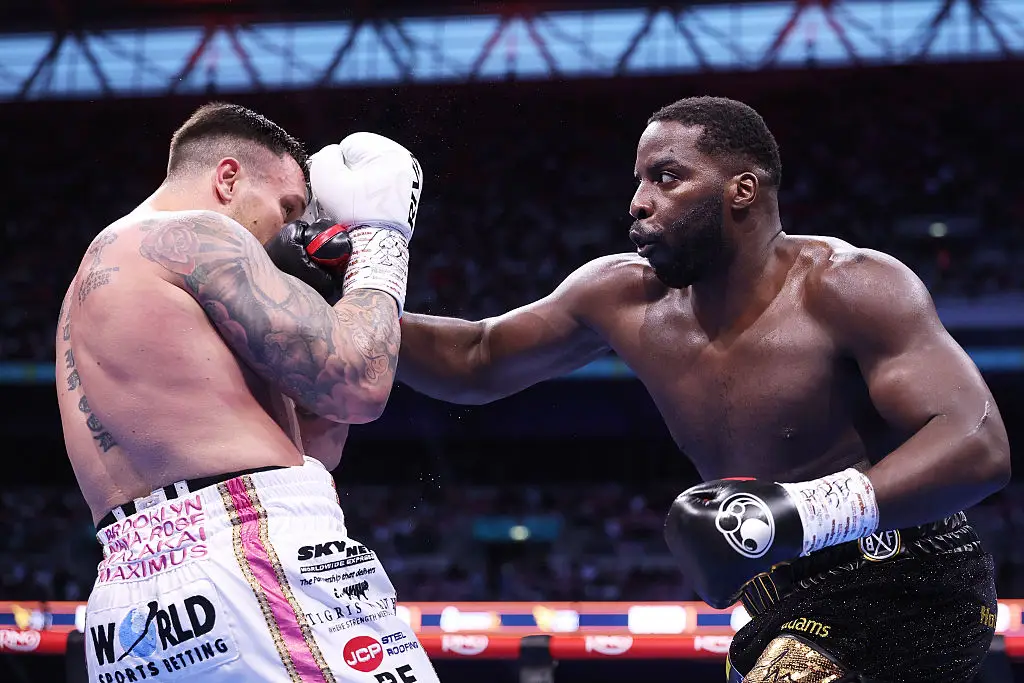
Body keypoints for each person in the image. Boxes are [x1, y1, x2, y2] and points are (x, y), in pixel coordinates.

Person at [396, 96, 1010, 682]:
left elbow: (978, 443)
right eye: (638, 181)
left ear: (741, 190)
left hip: (908, 579)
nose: (638, 202)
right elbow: (476, 357)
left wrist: (803, 514)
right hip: (778, 600)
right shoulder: (620, 298)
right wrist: (346, 306)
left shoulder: (848, 287)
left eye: (666, 177)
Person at [57, 102, 439, 683]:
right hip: (247, 554)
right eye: (286, 207)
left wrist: (326, 294)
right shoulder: (197, 234)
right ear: (227, 178)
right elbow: (359, 388)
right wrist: (381, 243)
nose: (290, 231)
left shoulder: (92, 282)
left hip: (128, 602)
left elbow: (315, 445)